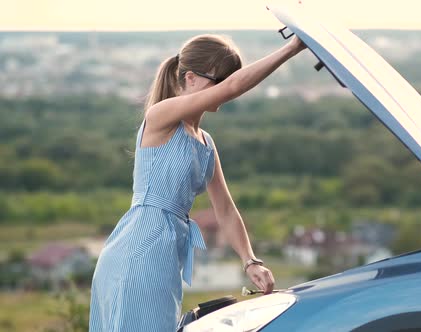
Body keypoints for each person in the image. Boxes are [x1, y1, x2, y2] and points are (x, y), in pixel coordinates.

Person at [89, 34, 306, 331]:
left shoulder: (205, 143)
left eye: (229, 79)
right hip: (138, 250)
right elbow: (233, 88)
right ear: (190, 78)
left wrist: (250, 261)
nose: (226, 90)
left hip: (166, 254)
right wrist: (293, 47)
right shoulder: (161, 116)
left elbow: (226, 210)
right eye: (220, 80)